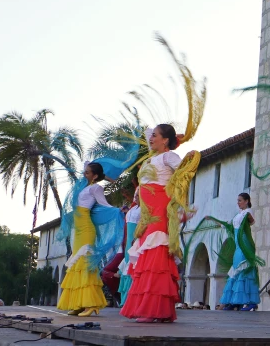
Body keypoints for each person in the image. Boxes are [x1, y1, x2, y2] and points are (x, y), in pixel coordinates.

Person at [120, 125, 200, 323]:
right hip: (149, 214)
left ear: (164, 140)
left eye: (156, 136)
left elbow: (182, 176)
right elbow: (148, 131)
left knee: (155, 257)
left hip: (161, 209)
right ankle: (161, 310)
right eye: (151, 136)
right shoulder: (151, 158)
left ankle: (151, 310)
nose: (151, 138)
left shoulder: (168, 157)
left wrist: (188, 158)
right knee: (152, 256)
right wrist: (171, 136)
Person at [57, 162, 123, 317]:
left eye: (87, 173)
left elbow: (104, 204)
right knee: (77, 264)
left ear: (94, 176)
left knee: (86, 264)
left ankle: (91, 304)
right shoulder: (84, 187)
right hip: (78, 229)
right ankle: (80, 304)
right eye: (84, 172)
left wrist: (118, 211)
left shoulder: (96, 188)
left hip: (86, 228)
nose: (84, 174)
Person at [219, 193, 262, 311]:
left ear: (246, 201)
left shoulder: (248, 211)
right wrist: (215, 220)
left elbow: (251, 221)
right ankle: (235, 301)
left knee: (245, 269)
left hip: (245, 244)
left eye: (240, 200)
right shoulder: (238, 214)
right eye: (237, 200)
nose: (238, 203)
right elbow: (229, 224)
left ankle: (251, 301)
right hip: (238, 245)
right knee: (236, 270)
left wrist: (248, 218)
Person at [117, 186, 141, 306]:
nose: (136, 196)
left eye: (138, 194)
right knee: (127, 265)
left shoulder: (144, 210)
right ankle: (125, 300)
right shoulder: (133, 209)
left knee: (133, 266)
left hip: (137, 240)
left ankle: (132, 301)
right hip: (128, 242)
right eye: (135, 194)